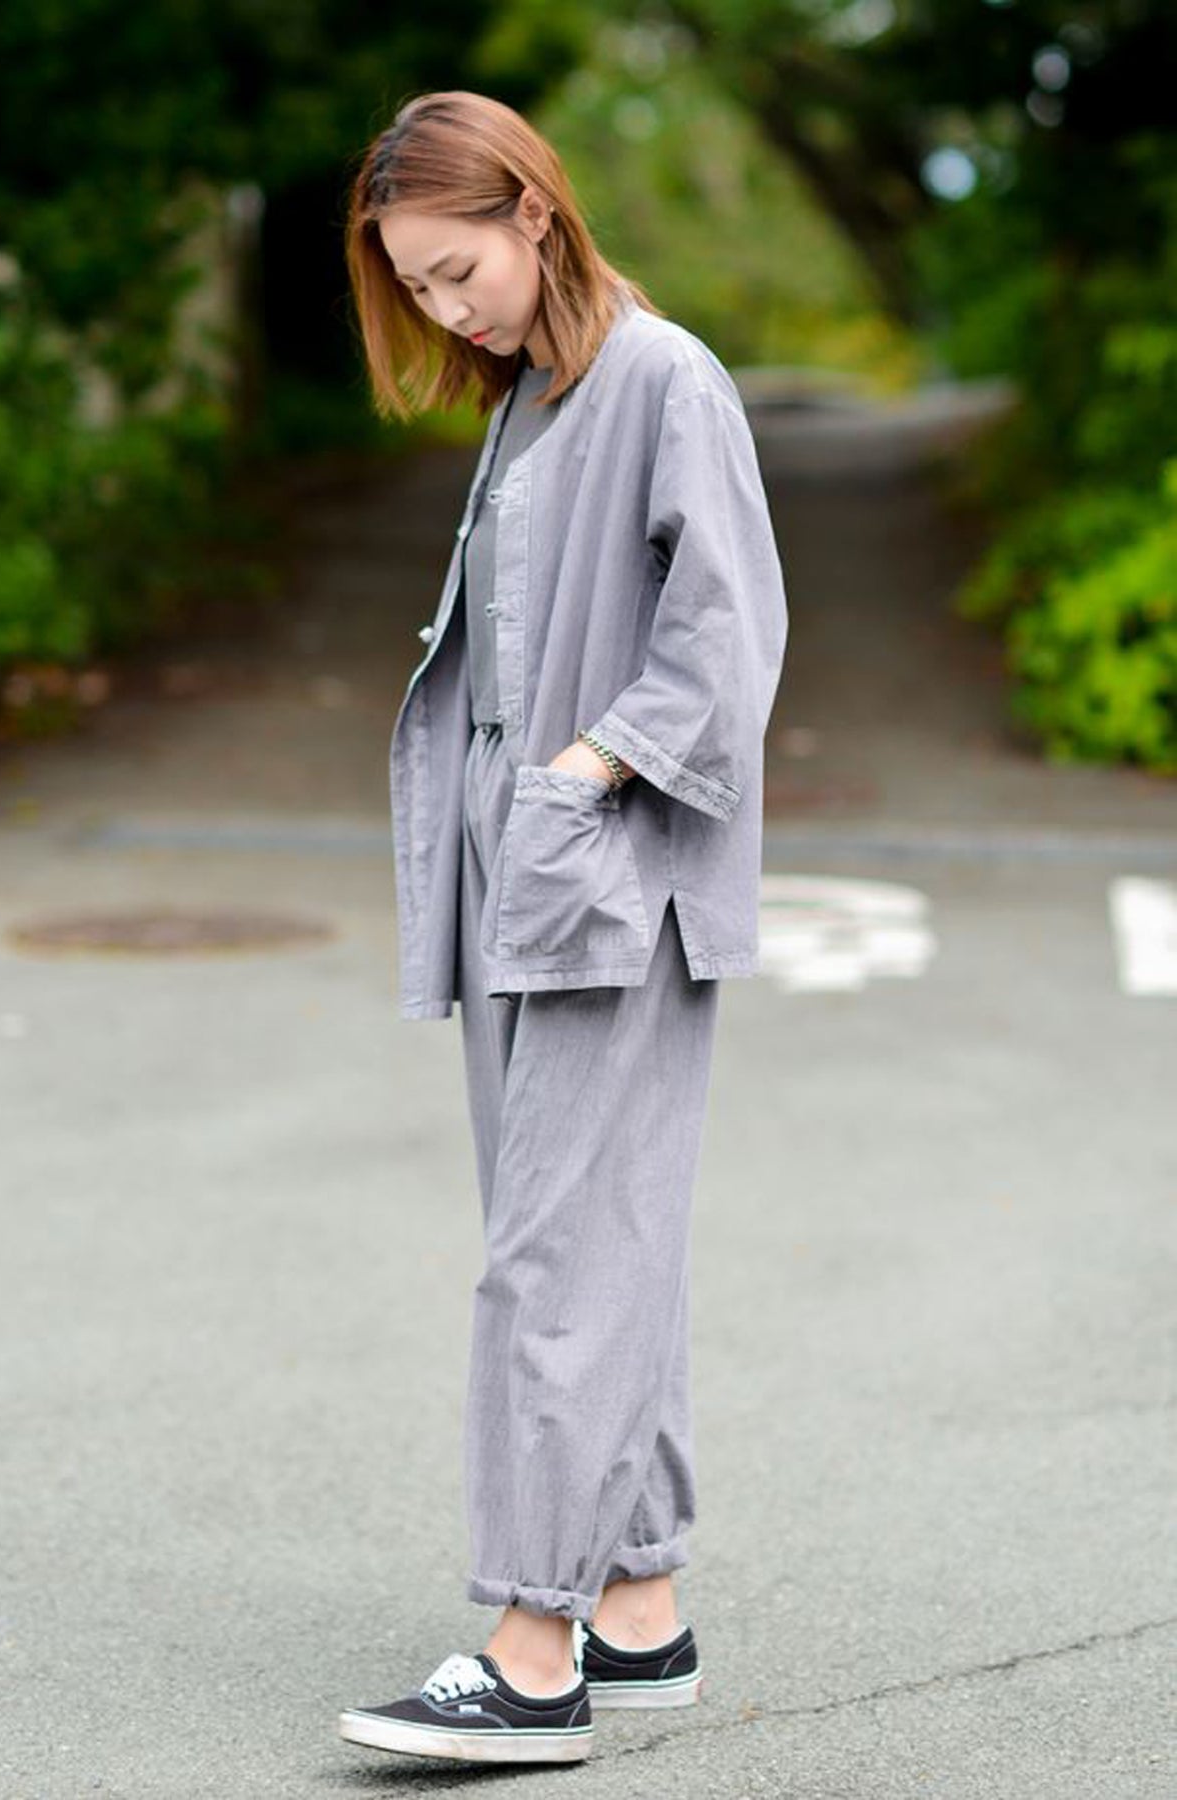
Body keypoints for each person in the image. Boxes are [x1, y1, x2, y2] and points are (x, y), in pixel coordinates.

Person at [336, 89, 789, 1766]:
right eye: (415, 288)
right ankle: (639, 1610)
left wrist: (587, 772)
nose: (444, 311)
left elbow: (728, 634)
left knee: (557, 1261)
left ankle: (533, 1652)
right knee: (596, 1246)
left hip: (609, 883)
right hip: (527, 882)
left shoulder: (663, 378)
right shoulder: (536, 392)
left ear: (534, 210)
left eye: (457, 271)